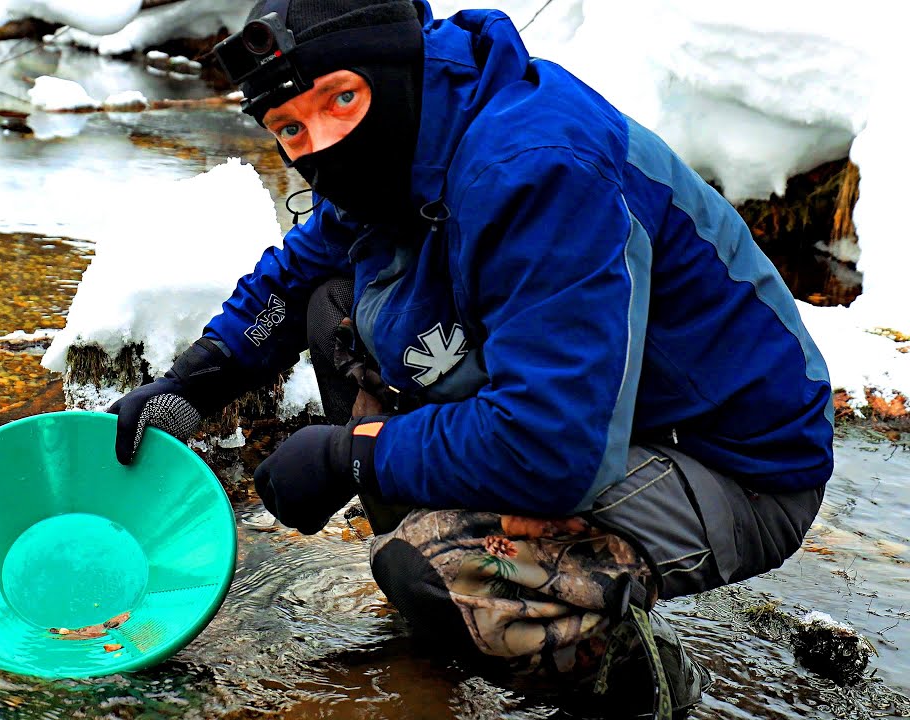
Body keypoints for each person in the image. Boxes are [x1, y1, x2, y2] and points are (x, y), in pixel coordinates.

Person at [108, 1, 834, 717]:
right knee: (334, 305)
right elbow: (300, 274)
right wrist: (192, 384)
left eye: (342, 100)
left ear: (393, 71)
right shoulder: (410, 129)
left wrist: (348, 457)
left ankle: (638, 684)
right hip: (596, 410)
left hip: (729, 464)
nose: (320, 143)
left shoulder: (538, 167)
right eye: (291, 128)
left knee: (446, 571)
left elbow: (551, 447)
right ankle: (442, 595)